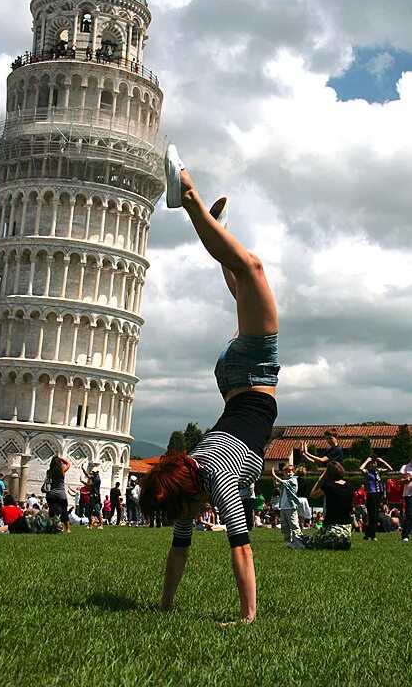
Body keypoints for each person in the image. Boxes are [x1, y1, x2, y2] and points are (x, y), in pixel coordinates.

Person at [139, 144, 280, 624]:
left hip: (253, 378)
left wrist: (248, 617)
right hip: (233, 381)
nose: (188, 518)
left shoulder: (206, 482)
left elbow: (240, 548)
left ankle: (189, 197)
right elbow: (211, 551)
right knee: (244, 282)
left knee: (252, 269)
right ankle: (215, 228)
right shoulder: (198, 477)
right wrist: (163, 607)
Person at [305, 462, 355, 550]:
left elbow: (312, 494)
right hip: (346, 533)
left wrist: (321, 478)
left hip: (332, 529)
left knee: (308, 542)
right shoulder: (350, 487)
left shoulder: (329, 486)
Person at [360, 455, 392, 542]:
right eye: (372, 463)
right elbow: (360, 468)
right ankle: (372, 535)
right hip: (371, 494)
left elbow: (390, 469)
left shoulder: (379, 471)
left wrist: (382, 461)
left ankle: (368, 535)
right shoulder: (368, 472)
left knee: (376, 515)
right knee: (372, 515)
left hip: (378, 494)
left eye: (375, 462)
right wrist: (367, 460)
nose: (374, 464)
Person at [271, 465, 304, 549]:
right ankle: (287, 539)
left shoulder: (293, 480)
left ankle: (298, 538)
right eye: (286, 472)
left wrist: (274, 474)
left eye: (290, 472)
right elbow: (276, 484)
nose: (288, 473)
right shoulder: (285, 481)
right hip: (283, 507)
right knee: (284, 524)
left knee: (293, 523)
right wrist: (273, 477)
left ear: (293, 472)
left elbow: (282, 482)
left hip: (291, 506)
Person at [45, 456, 71, 533]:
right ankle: (68, 529)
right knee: (64, 511)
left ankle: (52, 528)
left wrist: (55, 459)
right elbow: (68, 463)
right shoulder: (62, 471)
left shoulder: (49, 472)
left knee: (52, 512)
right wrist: (60, 458)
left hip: (51, 494)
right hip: (61, 494)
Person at [399, 455, 412, 542]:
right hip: (409, 495)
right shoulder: (405, 467)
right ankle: (405, 535)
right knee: (409, 515)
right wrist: (409, 479)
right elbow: (401, 481)